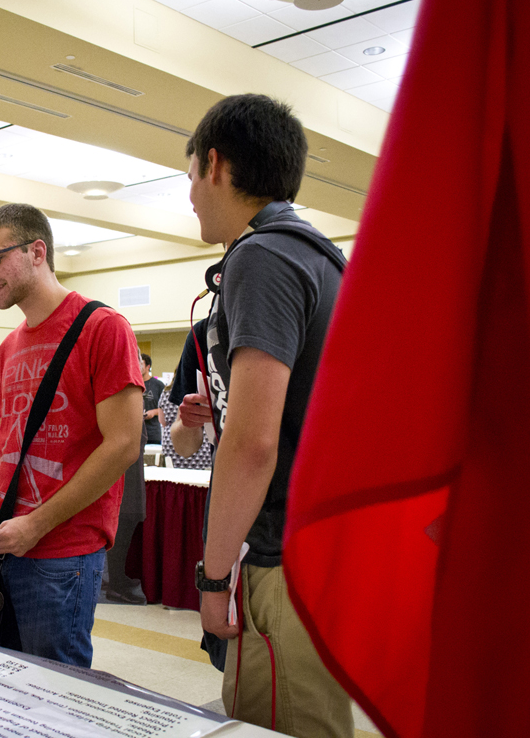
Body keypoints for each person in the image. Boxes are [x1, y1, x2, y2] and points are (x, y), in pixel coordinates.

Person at [168, 94, 350, 736]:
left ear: (215, 164)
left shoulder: (262, 256)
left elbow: (251, 445)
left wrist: (213, 576)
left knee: (276, 721)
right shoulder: (322, 257)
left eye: (191, 174)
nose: (191, 195)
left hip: (278, 555)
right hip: (319, 544)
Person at [0, 203, 144, 667]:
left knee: (55, 686)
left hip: (62, 552)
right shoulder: (10, 345)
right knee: (0, 682)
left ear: (37, 251)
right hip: (4, 541)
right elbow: (6, 442)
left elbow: (123, 443)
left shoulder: (102, 327)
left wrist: (36, 524)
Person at [158, 382, 212, 469]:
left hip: (171, 444)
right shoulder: (201, 391)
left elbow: (162, 421)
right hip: (201, 447)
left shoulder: (165, 393)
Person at [140, 354, 164, 445]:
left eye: (141, 364)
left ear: (148, 366)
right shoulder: (134, 385)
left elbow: (165, 408)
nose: (138, 367)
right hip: (136, 433)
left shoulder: (158, 385)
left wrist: (153, 412)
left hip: (153, 433)